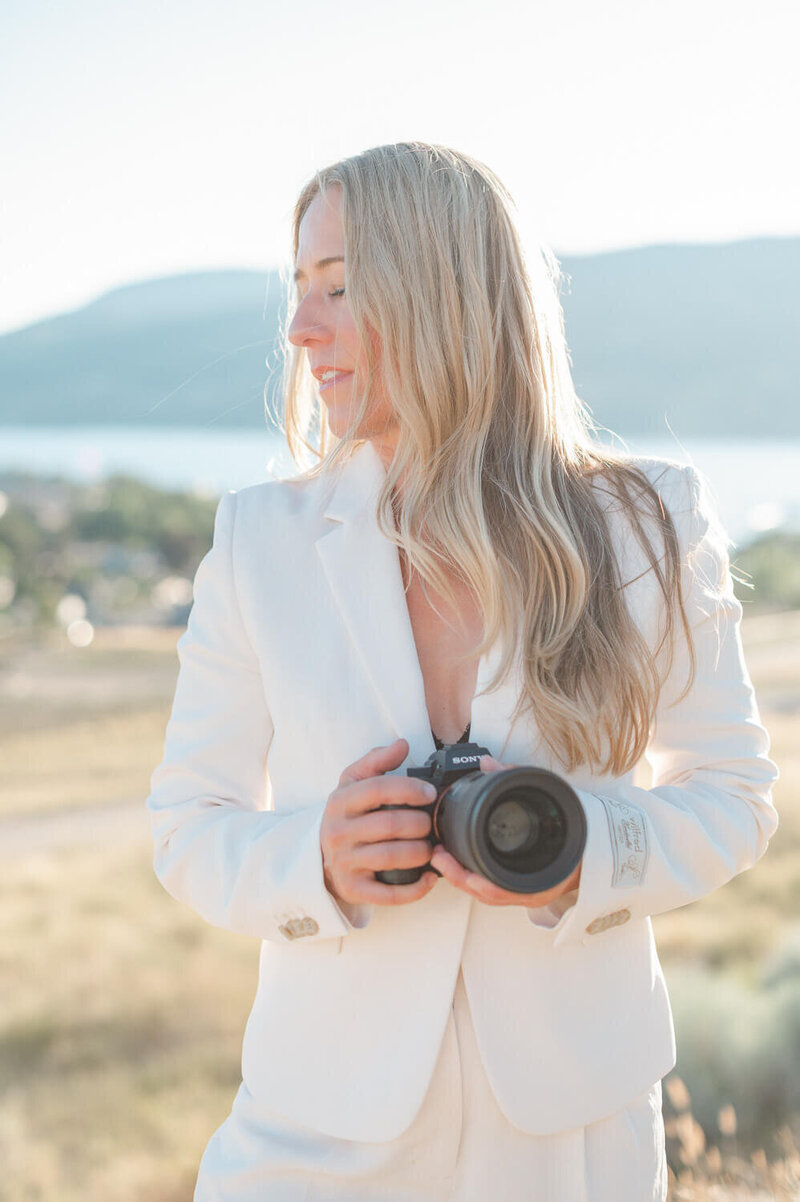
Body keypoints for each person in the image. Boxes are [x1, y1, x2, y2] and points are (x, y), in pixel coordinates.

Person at [146, 142, 779, 1202]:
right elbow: (186, 823)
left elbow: (732, 793)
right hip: (315, 1134)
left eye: (338, 288)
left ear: (442, 291)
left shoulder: (646, 523)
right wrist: (318, 853)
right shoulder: (257, 541)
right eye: (297, 292)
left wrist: (586, 852)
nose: (300, 331)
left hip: (573, 1135)